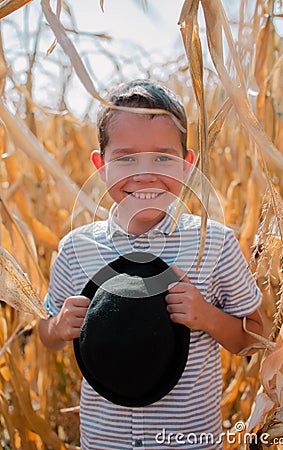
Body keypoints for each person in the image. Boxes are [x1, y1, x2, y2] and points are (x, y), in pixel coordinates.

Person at [39, 80, 263, 450]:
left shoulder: (215, 243)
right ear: (100, 166)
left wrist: (206, 317)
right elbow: (46, 336)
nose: (144, 174)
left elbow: (255, 338)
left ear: (188, 164)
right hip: (103, 441)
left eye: (163, 157)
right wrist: (59, 327)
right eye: (126, 158)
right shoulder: (76, 248)